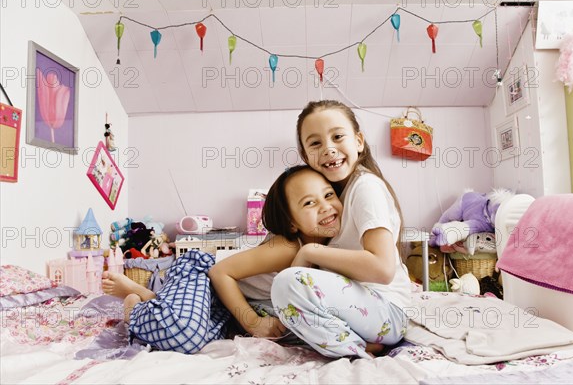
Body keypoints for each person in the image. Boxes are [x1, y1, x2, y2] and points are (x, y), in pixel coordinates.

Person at [102, 165, 342, 352]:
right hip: (203, 274)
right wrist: (253, 323)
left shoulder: (333, 251)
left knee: (198, 342)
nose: (325, 207)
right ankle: (137, 301)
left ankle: (157, 300)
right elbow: (220, 273)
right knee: (184, 333)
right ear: (291, 222)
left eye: (329, 195)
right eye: (309, 203)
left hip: (225, 305)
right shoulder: (288, 247)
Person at [270, 100, 411, 359]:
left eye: (337, 137)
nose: (329, 149)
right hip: (363, 308)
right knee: (281, 300)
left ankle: (357, 351)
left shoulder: (365, 186)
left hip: (387, 311)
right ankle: (356, 341)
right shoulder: (336, 194)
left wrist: (311, 252)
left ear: (359, 141)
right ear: (305, 156)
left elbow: (382, 268)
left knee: (287, 284)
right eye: (315, 143)